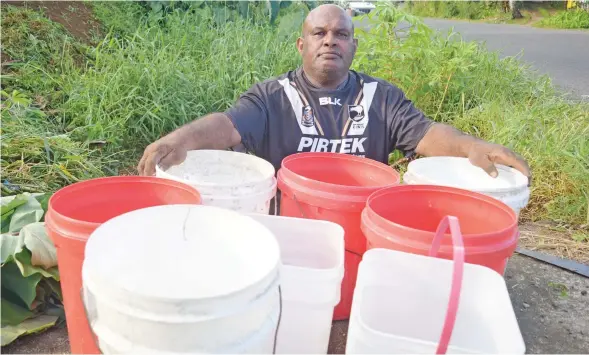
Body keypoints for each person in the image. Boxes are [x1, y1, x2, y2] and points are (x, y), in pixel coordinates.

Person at [138, 4, 531, 184]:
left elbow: (425, 134)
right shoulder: (273, 96)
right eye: (319, 33)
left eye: (341, 34)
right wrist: (181, 138)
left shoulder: (381, 97)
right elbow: (227, 125)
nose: (330, 41)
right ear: (301, 44)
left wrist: (470, 146)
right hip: (292, 222)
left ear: (354, 46)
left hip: (361, 223)